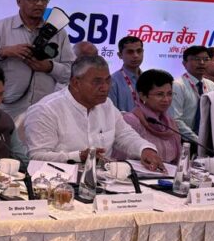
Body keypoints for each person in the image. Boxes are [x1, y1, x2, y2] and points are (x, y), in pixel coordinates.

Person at [25, 55, 163, 170]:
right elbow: (36, 157)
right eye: (97, 82)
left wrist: (145, 149)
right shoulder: (46, 110)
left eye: (108, 81)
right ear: (76, 83)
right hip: (59, 182)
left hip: (105, 181)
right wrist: (78, 156)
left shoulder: (106, 105)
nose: (105, 88)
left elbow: (125, 135)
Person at [0, 0, 75, 119]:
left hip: (44, 111)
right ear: (19, 1)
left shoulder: (58, 33)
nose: (39, 4)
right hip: (5, 110)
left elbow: (72, 73)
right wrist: (3, 53)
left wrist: (49, 67)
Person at [116, 69, 181, 165]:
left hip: (169, 172)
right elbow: (122, 158)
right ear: (143, 96)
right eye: (160, 94)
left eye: (169, 94)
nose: (166, 99)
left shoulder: (171, 123)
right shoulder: (132, 121)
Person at [168, 45, 214, 141]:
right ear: (184, 63)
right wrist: (197, 140)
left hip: (206, 139)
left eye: (206, 59)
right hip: (183, 140)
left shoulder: (211, 85)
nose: (202, 63)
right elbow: (175, 119)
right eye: (196, 59)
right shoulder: (177, 85)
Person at [108, 36, 143, 113]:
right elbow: (111, 113)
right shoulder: (112, 81)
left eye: (139, 51)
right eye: (130, 52)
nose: (136, 55)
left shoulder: (149, 79)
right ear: (120, 55)